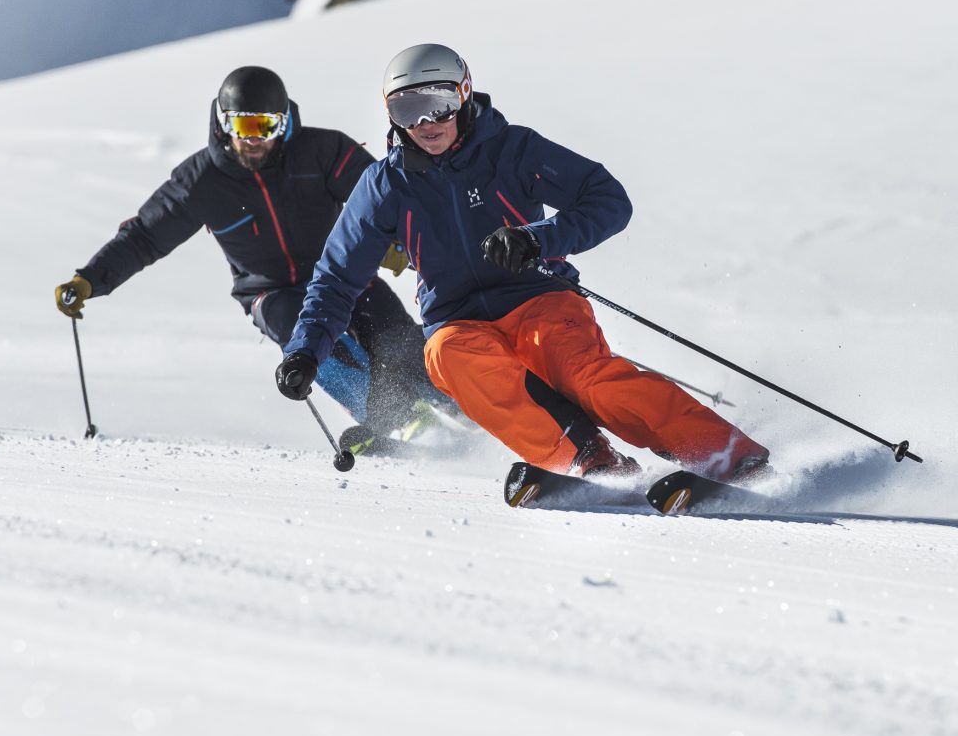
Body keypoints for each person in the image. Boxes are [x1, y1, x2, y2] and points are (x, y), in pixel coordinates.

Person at [272, 44, 769, 481]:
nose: (426, 124)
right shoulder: (385, 186)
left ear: (464, 95)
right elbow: (337, 279)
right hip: (457, 318)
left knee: (588, 381)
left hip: (539, 300)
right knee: (447, 356)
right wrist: (305, 351)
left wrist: (539, 239)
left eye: (439, 104)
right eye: (408, 109)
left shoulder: (510, 151)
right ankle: (585, 459)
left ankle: (726, 454)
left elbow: (608, 199)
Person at [54, 66, 449, 445]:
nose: (255, 138)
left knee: (397, 339)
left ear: (285, 123)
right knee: (309, 343)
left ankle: (471, 410)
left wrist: (398, 241)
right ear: (224, 124)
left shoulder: (321, 151)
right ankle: (403, 422)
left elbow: (385, 197)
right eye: (244, 126)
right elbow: (145, 236)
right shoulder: (200, 182)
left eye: (267, 126)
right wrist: (90, 279)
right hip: (271, 291)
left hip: (341, 274)